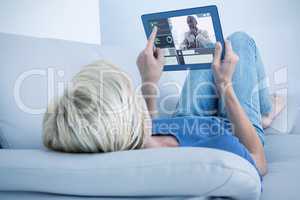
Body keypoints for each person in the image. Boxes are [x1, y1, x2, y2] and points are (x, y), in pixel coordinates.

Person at [43, 27, 284, 177]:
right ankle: (265, 115)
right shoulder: (218, 152)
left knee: (211, 46)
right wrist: (225, 87)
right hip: (233, 130)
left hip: (184, 121)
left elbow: (145, 132)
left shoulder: (122, 143)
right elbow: (258, 162)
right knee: (239, 40)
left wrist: (149, 80)